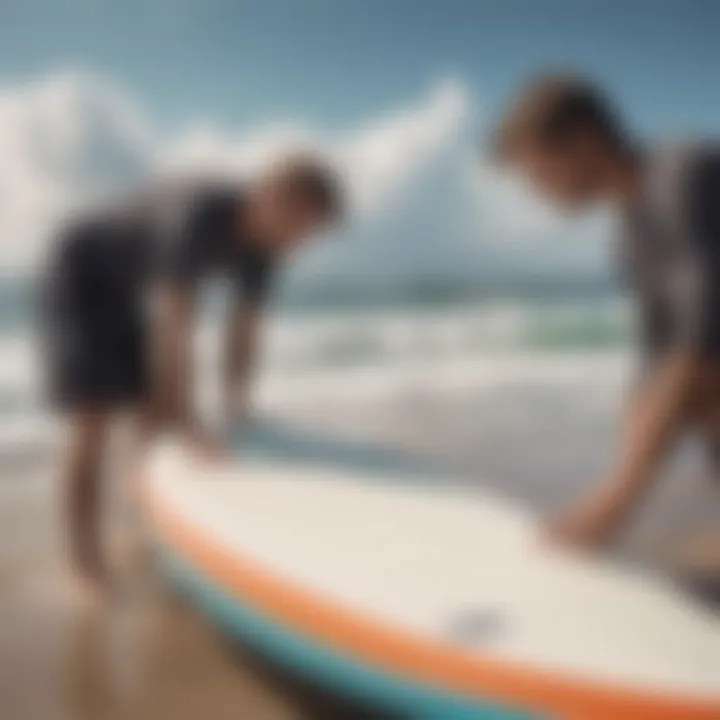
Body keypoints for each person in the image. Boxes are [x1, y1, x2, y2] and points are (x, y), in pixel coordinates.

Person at [42, 155, 344, 591]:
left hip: (130, 285)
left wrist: (238, 404)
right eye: (298, 226)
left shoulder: (267, 250)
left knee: (149, 407)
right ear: (270, 198)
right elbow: (175, 323)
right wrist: (186, 421)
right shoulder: (201, 214)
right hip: (81, 267)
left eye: (309, 235)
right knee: (94, 415)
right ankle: (84, 563)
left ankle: (142, 522)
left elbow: (244, 329)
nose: (297, 243)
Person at [490, 75, 720, 551]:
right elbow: (655, 363)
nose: (536, 190)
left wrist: (616, 501)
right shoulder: (629, 236)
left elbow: (703, 342)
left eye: (539, 170)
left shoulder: (685, 174)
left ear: (584, 141)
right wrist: (613, 480)